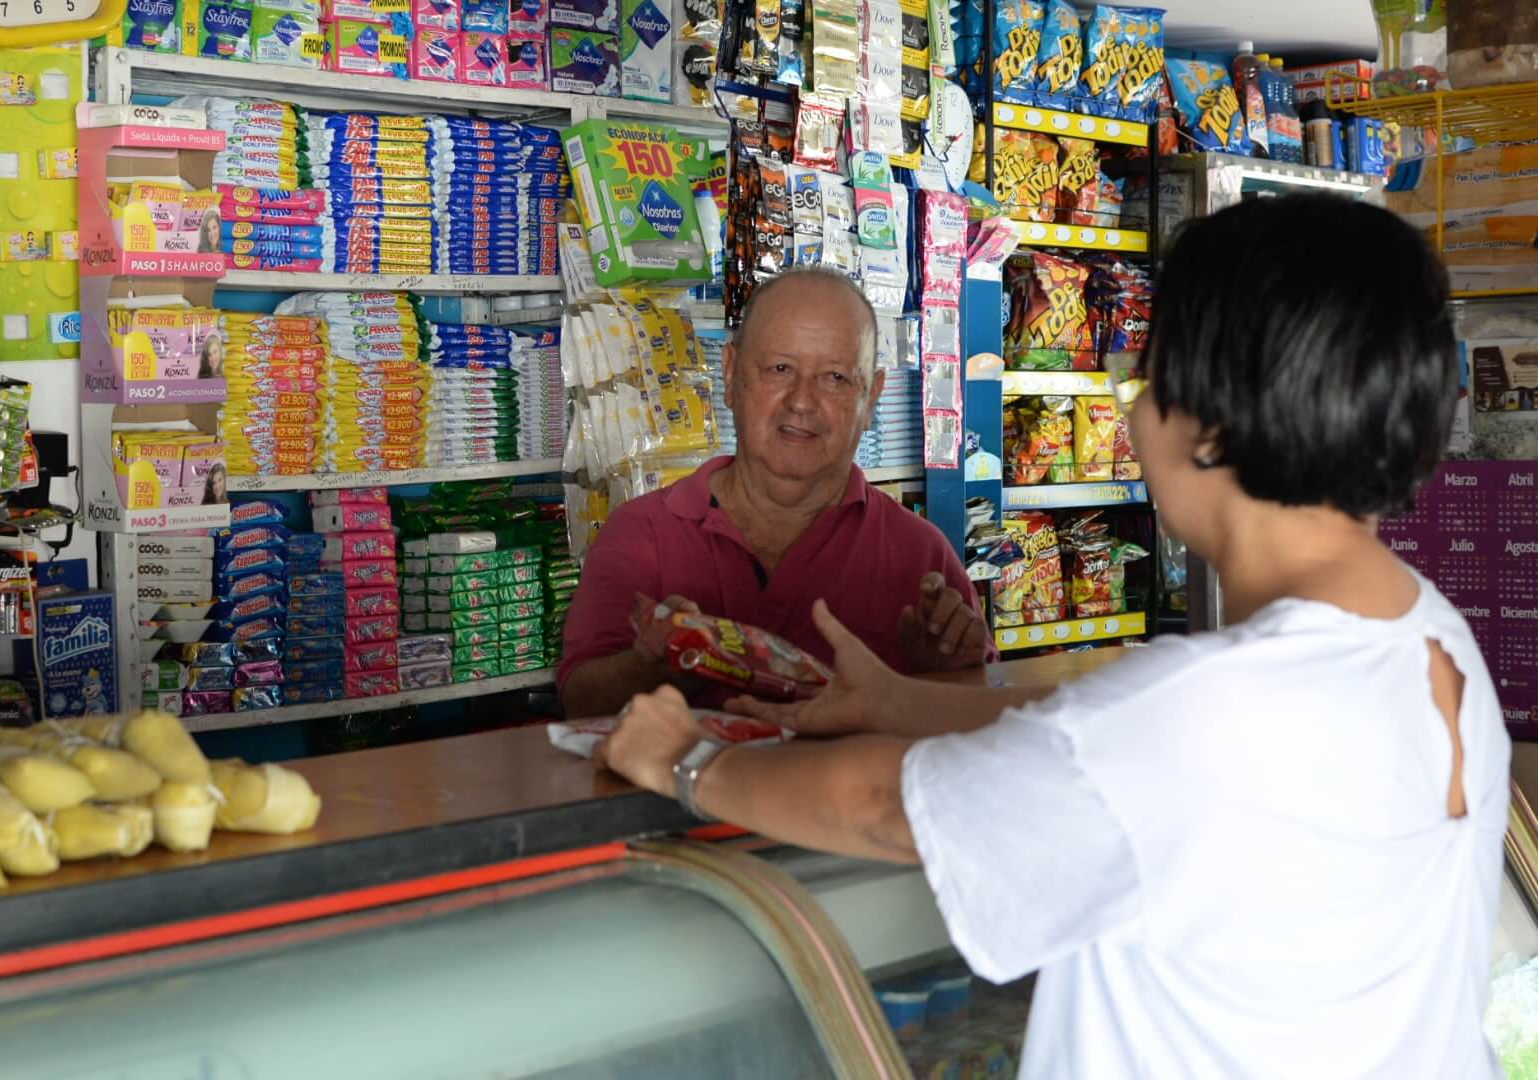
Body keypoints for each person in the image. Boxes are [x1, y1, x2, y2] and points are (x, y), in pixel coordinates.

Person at [598, 196, 1510, 1076]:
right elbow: (1103, 732)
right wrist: (902, 700)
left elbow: (885, 806)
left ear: (1211, 426)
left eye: (1147, 380)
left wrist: (688, 762)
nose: (1132, 411)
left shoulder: (1196, 715)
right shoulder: (1433, 642)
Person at [558, 266, 988, 718]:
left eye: (835, 377)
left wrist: (940, 677)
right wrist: (654, 665)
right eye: (780, 369)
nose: (801, 401)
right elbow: (579, 701)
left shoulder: (919, 558)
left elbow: (979, 730)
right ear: (729, 375)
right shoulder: (642, 536)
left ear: (871, 398)